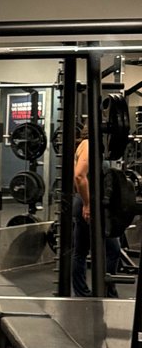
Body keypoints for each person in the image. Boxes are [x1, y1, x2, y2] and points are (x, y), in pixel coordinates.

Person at [72, 123, 121, 297]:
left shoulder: (87, 145)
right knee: (113, 250)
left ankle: (83, 293)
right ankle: (105, 291)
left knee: (80, 251)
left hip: (87, 202)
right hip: (89, 204)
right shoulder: (88, 145)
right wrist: (87, 204)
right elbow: (79, 175)